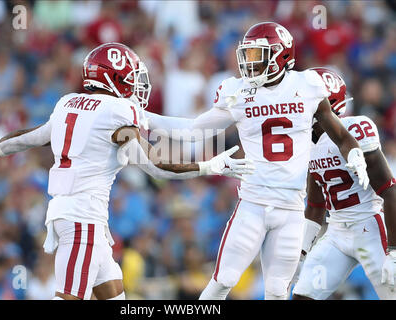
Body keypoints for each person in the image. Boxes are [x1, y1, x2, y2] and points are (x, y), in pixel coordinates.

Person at [0, 42, 254, 300]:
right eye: (131, 77)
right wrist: (210, 166)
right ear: (115, 78)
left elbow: (30, 137)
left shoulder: (71, 103)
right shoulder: (117, 113)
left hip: (78, 218)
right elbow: (155, 166)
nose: (137, 85)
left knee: (115, 293)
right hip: (82, 220)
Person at [144, 22, 370, 300]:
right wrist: (146, 118)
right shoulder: (237, 91)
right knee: (223, 280)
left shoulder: (307, 85)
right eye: (247, 54)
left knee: (277, 292)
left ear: (281, 55)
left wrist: (355, 154)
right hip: (253, 202)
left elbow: (339, 133)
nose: (249, 63)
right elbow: (194, 130)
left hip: (291, 208)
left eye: (257, 55)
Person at [292, 67, 396, 300]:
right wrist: (301, 253)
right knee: (302, 296)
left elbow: (390, 191)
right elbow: (316, 205)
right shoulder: (306, 142)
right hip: (337, 232)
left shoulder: (355, 129)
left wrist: (394, 251)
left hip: (370, 227)